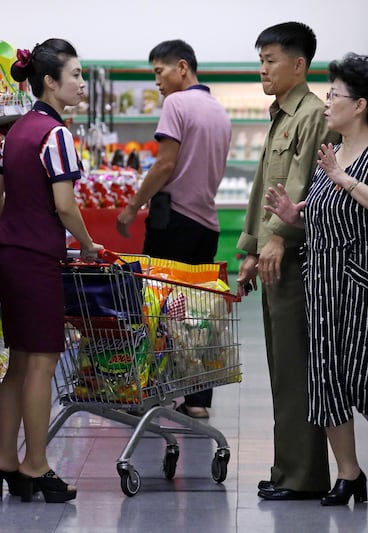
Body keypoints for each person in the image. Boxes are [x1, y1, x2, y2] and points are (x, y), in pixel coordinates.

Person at [263, 52, 368, 506]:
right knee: (327, 378)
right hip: (324, 278)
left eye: (334, 95)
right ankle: (349, 473)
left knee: (367, 375)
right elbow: (327, 219)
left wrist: (341, 179)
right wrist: (293, 216)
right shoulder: (330, 153)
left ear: (359, 105)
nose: (328, 101)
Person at [0, 38, 103, 503]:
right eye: (74, 74)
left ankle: (4, 460)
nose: (80, 82)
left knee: (18, 362)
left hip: (9, 256)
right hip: (36, 261)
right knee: (42, 363)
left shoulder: (17, 129)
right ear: (50, 82)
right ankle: (35, 464)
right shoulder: (56, 135)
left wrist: (12, 227)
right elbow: (65, 205)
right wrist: (89, 246)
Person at [235, 21, 337, 501]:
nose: (262, 70)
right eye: (260, 61)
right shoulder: (281, 115)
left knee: (297, 369)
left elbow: (304, 186)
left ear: (299, 64)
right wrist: (251, 248)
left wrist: (276, 241)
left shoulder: (314, 114)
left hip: (297, 260)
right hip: (275, 258)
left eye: (270, 60)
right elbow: (264, 189)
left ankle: (303, 476)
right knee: (280, 367)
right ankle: (286, 469)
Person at [116, 39, 231, 419]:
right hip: (206, 225)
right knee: (196, 314)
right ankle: (198, 400)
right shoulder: (218, 110)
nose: (158, 82)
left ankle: (155, 391)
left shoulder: (176, 104)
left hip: (173, 222)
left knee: (160, 310)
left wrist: (132, 207)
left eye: (159, 72)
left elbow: (165, 165)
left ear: (182, 67)